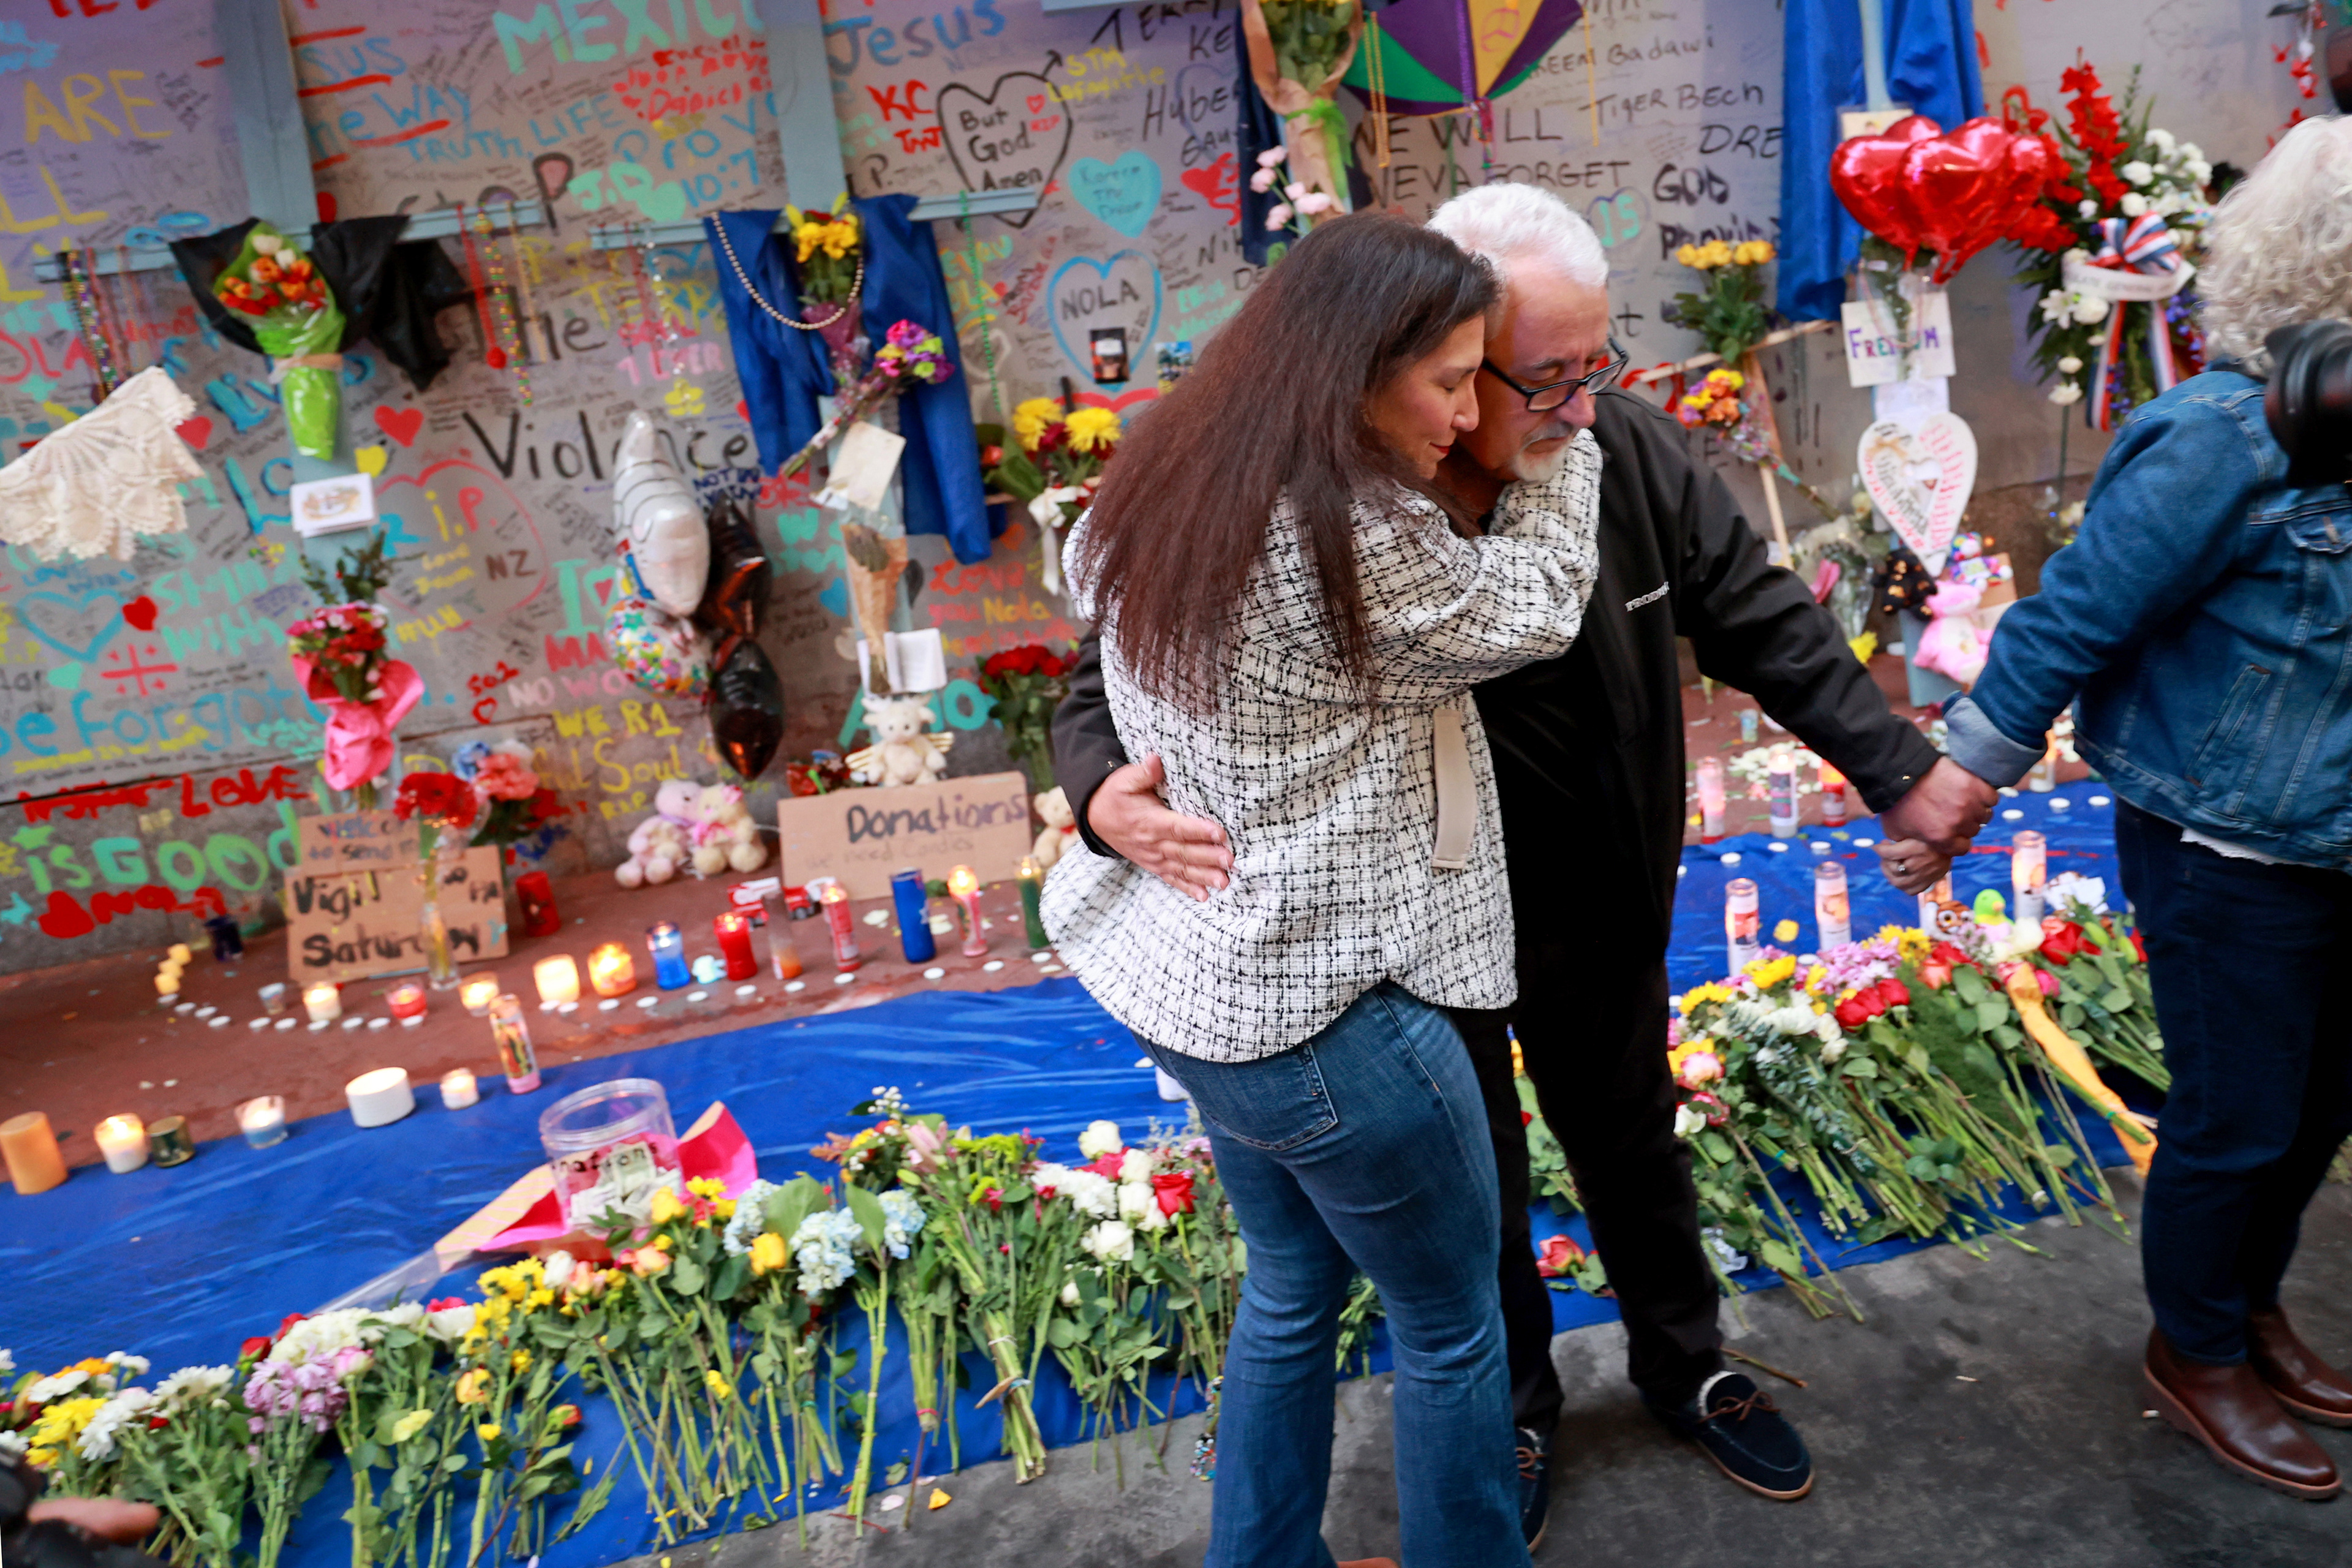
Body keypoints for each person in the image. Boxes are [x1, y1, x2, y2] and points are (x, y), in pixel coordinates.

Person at [1054, 183, 1996, 1540]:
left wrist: (1898, 771)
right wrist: (1101, 799)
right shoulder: (1349, 499)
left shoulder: (1618, 447)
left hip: (1593, 892)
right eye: (1536, 377)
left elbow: (1759, 616)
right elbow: (1111, 671)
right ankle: (1514, 1407)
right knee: (1469, 1212)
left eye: (1597, 365)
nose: (1580, 402)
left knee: (1633, 1145)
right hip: (1404, 943)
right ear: (1431, 358)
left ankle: (1691, 1361)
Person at [1041, 210, 1603, 1568]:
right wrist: (1565, 440)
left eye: (1488, 377)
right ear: (1351, 368)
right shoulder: (1354, 527)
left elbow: (1097, 651)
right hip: (1336, 1014)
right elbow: (1540, 605)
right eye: (1451, 379)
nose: (1474, 412)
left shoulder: (1160, 477)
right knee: (1454, 1320)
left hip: (1203, 992)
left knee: (1291, 1291)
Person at [1940, 118, 2352, 1500]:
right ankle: (2196, 1351)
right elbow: (2075, 618)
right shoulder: (2220, 436)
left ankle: (2248, 1312)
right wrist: (1957, 783)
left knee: (2316, 1110)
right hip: (2231, 849)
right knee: (2237, 1118)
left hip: (2339, 841)